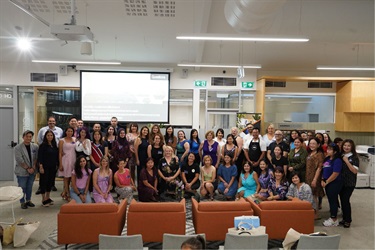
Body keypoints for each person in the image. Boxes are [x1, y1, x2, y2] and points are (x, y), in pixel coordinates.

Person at [36, 116, 63, 194]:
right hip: (45, 151)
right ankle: (41, 187)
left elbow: (61, 141)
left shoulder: (59, 130)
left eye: (53, 121)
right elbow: (39, 140)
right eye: (50, 121)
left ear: (55, 122)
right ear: (47, 122)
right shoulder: (42, 130)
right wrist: (45, 147)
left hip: (55, 151)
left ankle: (52, 185)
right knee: (44, 173)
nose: (52, 123)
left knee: (52, 171)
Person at [15, 130, 39, 209]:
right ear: (23, 137)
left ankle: (28, 200)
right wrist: (28, 168)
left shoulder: (35, 146)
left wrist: (33, 167)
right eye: (27, 136)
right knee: (22, 187)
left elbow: (36, 158)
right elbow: (19, 160)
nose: (28, 138)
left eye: (30, 137)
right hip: (22, 170)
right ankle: (22, 202)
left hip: (32, 170)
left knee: (29, 186)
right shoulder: (18, 147)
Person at [321, 143, 343, 227]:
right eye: (328, 149)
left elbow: (335, 173)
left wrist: (327, 181)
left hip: (334, 182)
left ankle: (334, 219)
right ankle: (332, 217)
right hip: (327, 182)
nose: (328, 151)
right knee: (330, 199)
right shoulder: (327, 159)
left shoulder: (337, 160)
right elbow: (324, 170)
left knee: (333, 200)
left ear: (335, 151)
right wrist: (323, 179)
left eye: (330, 149)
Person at [339, 139, 359, 228]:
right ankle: (344, 218)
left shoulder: (354, 157)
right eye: (345, 145)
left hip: (349, 183)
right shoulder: (341, 155)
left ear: (352, 147)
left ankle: (348, 220)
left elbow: (354, 171)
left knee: (346, 200)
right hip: (340, 182)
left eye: (348, 146)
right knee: (342, 201)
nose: (346, 147)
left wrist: (347, 161)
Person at [305, 137, 325, 219]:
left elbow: (319, 168)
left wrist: (315, 179)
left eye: (314, 144)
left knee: (314, 195)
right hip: (308, 176)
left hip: (314, 177)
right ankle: (311, 211)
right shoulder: (310, 153)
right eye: (310, 143)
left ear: (318, 145)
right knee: (310, 195)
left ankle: (316, 214)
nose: (312, 145)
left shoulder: (319, 154)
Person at [38, 130, 59, 207]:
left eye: (51, 135)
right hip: (44, 167)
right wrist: (41, 166)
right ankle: (43, 199)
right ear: (45, 137)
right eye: (48, 135)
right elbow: (40, 157)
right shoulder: (42, 146)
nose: (50, 137)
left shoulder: (54, 145)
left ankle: (48, 197)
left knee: (50, 182)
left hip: (52, 167)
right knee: (44, 182)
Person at [58, 127, 76, 201]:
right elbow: (60, 153)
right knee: (66, 178)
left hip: (74, 159)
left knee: (72, 177)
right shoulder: (62, 140)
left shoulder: (75, 139)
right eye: (68, 131)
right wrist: (60, 164)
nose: (70, 132)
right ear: (66, 132)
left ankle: (65, 192)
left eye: (71, 131)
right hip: (66, 160)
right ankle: (67, 193)